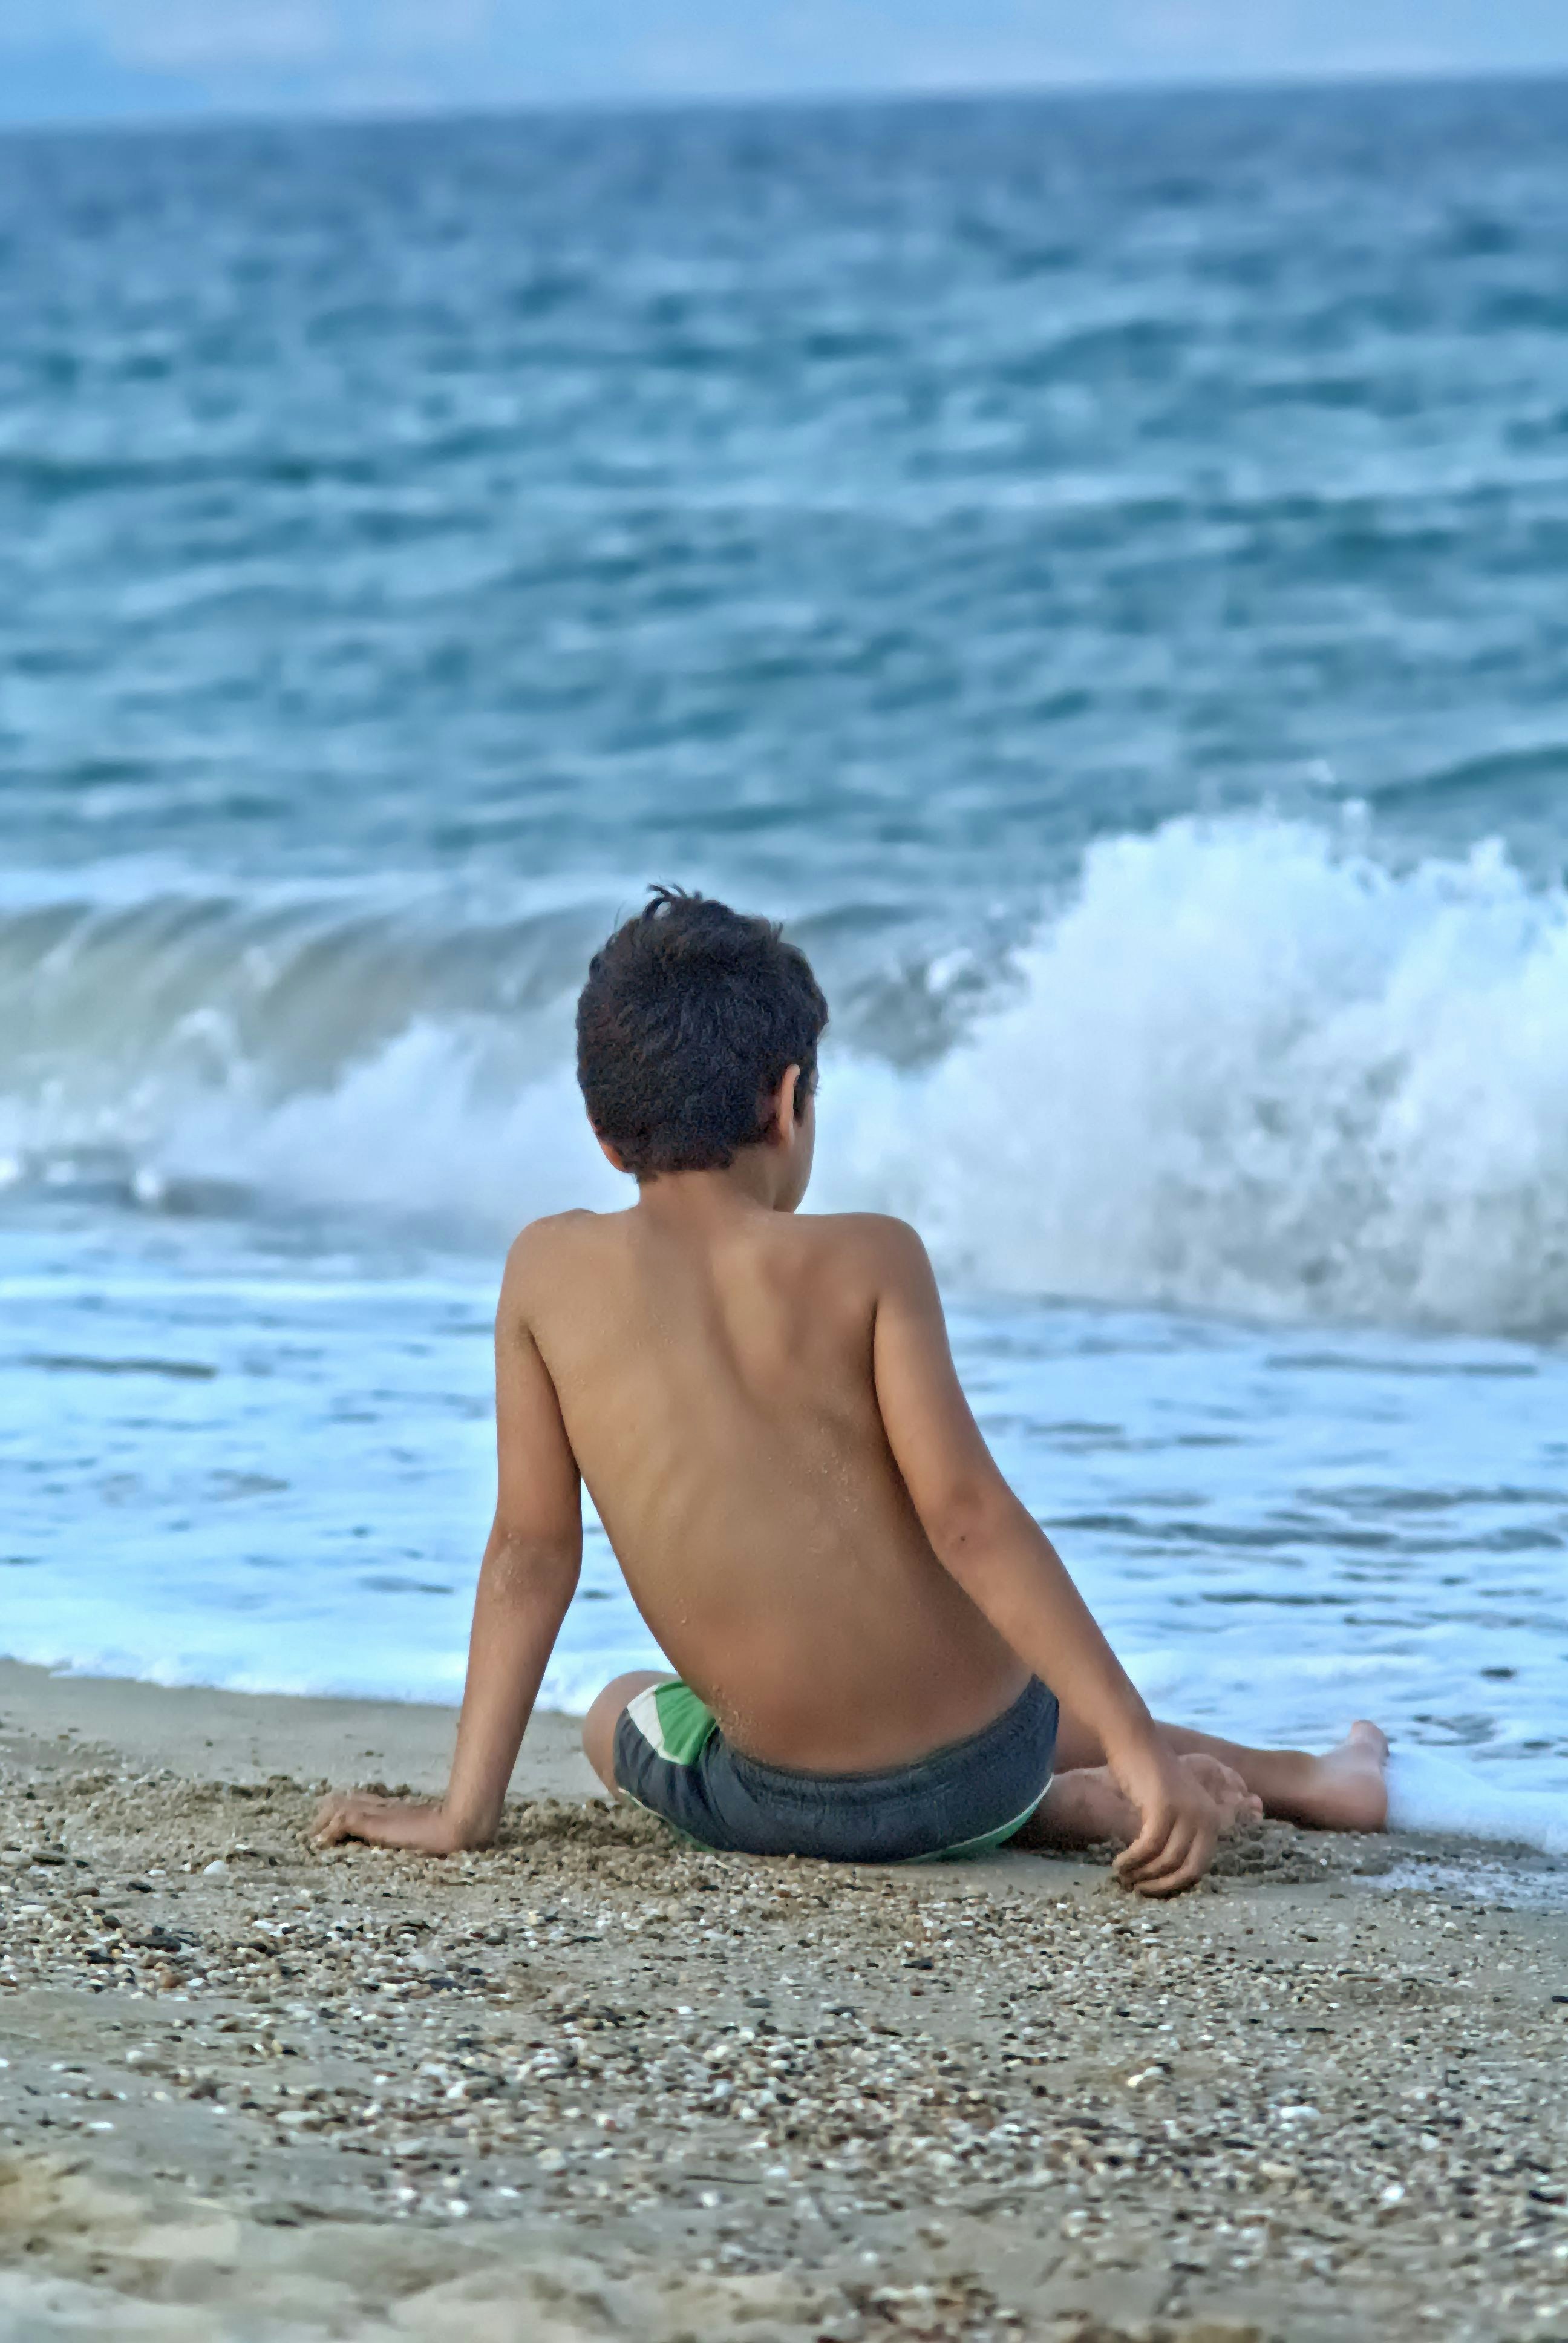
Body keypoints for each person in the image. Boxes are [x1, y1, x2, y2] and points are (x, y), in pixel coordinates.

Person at [315, 889, 1388, 1896]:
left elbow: (532, 1554)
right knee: (1011, 1685)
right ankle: (1289, 1780)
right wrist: (1141, 1746)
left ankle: (1070, 1802)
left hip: (781, 1807)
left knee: (614, 1712)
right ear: (788, 1102)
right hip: (987, 1766)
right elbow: (969, 1521)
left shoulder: (543, 1275)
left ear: (603, 1138)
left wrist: (463, 1812)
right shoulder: (873, 1259)